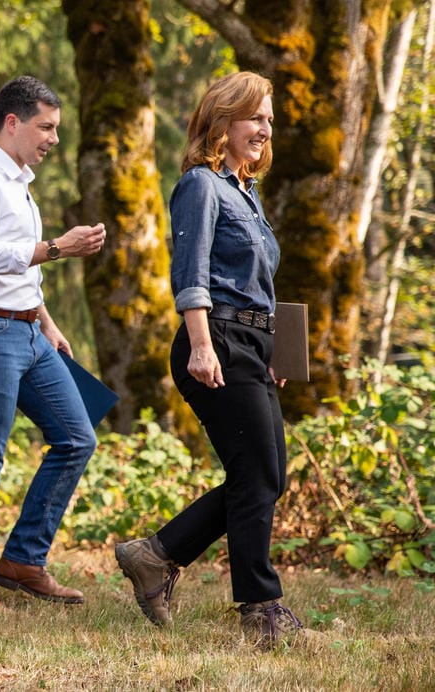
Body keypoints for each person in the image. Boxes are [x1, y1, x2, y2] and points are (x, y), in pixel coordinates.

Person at [114, 71, 306, 649]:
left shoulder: (246, 191)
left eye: (270, 120)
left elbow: (260, 285)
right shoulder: (201, 186)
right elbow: (191, 273)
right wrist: (200, 344)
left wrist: (276, 349)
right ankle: (260, 608)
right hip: (214, 338)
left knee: (267, 475)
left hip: (251, 344)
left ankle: (155, 555)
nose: (265, 129)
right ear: (222, 120)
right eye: (256, 117)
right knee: (257, 474)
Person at [0, 75, 107, 609]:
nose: (53, 139)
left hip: (28, 329)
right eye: (46, 127)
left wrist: (47, 321)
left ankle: (22, 561)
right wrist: (58, 247)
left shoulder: (20, 183)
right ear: (12, 123)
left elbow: (15, 273)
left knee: (77, 437)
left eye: (56, 128)